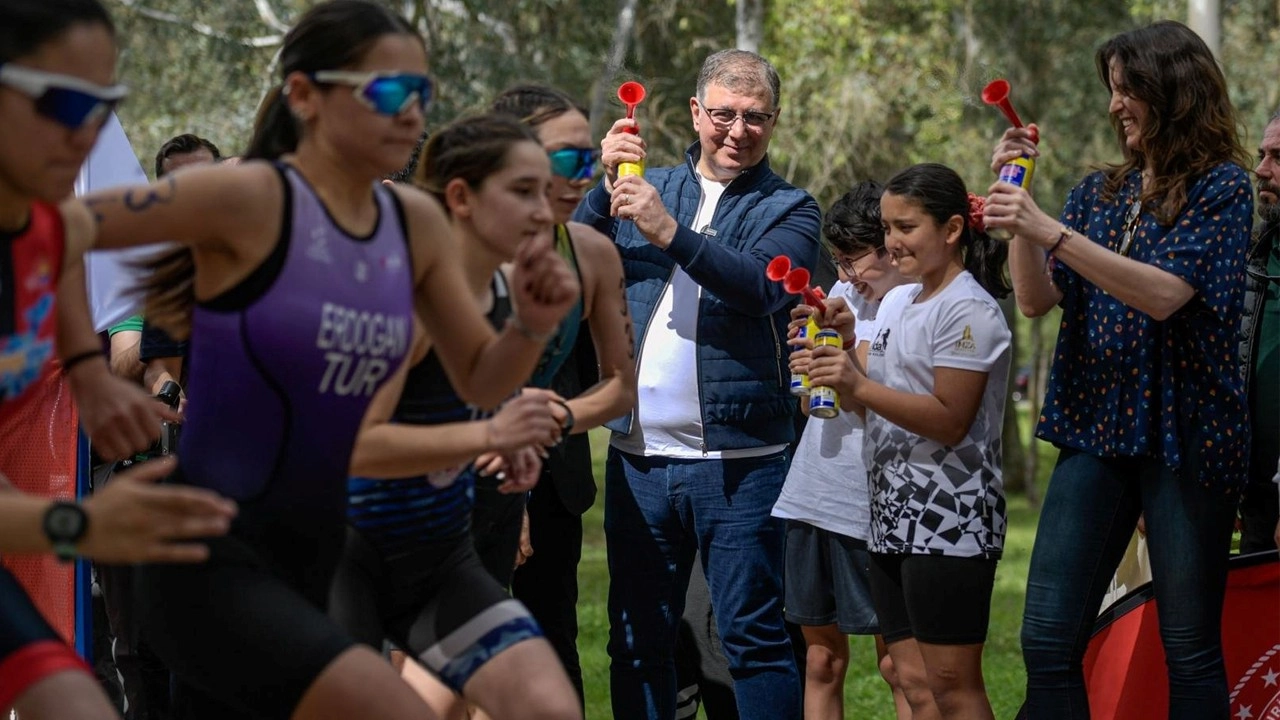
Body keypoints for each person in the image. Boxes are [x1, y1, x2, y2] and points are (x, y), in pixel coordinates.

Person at [71, 1, 579, 717]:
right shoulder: (247, 195)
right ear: (306, 96)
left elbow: (479, 377)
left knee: (545, 706)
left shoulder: (415, 220)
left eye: (422, 94)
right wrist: (86, 371)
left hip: (333, 550)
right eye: (389, 91)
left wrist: (529, 325)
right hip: (216, 557)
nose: (412, 113)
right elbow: (55, 225)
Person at [983, 20, 1253, 718]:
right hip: (1096, 426)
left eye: (1127, 89)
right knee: (1046, 639)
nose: (1115, 106)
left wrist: (1049, 231)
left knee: (1188, 646)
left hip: (1188, 440)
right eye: (1111, 91)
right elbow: (1040, 299)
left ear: (1174, 92)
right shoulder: (1098, 193)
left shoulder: (1223, 189)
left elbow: (1165, 294)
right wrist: (1020, 211)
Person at [1, 2, 237, 717]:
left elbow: (75, 279)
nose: (91, 130)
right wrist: (83, 526)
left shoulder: (52, 224)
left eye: (105, 104)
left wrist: (91, 376)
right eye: (68, 99)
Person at [572, 48, 820, 720]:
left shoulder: (791, 208)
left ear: (774, 120)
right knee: (636, 641)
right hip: (639, 463)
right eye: (724, 115)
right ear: (695, 112)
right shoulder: (643, 183)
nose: (739, 131)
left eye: (756, 118)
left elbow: (763, 288)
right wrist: (599, 191)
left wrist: (667, 230)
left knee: (754, 641)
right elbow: (569, 259)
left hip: (741, 467)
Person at [330, 112, 585, 720]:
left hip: (436, 560)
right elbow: (349, 445)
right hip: (341, 556)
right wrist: (489, 433)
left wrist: (526, 344)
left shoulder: (494, 291)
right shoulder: (403, 299)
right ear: (461, 198)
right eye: (523, 191)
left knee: (548, 706)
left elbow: (478, 392)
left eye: (546, 188)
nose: (543, 207)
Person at [807, 163, 1011, 719]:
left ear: (950, 230)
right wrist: (844, 344)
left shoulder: (969, 309)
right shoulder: (899, 303)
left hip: (953, 520)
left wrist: (856, 382)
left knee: (953, 686)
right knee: (913, 681)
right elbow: (867, 385)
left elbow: (949, 419)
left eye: (906, 228)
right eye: (888, 228)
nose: (892, 243)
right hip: (892, 516)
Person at [490, 83, 637, 705]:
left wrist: (554, 419)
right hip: (439, 490)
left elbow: (619, 387)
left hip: (549, 480)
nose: (587, 176)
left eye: (591, 159)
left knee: (549, 660)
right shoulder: (444, 244)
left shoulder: (593, 254)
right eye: (568, 160)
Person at [773, 180, 915, 720]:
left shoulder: (914, 302)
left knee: (899, 666)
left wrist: (846, 353)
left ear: (890, 244)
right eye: (838, 260)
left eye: (854, 259)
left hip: (877, 502)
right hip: (817, 492)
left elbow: (893, 404)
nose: (848, 273)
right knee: (820, 660)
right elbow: (817, 409)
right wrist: (809, 369)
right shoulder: (841, 295)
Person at [1239, 111, 1280, 555]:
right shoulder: (1251, 255)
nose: (1261, 170)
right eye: (1262, 155)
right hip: (1256, 502)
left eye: (1278, 157)